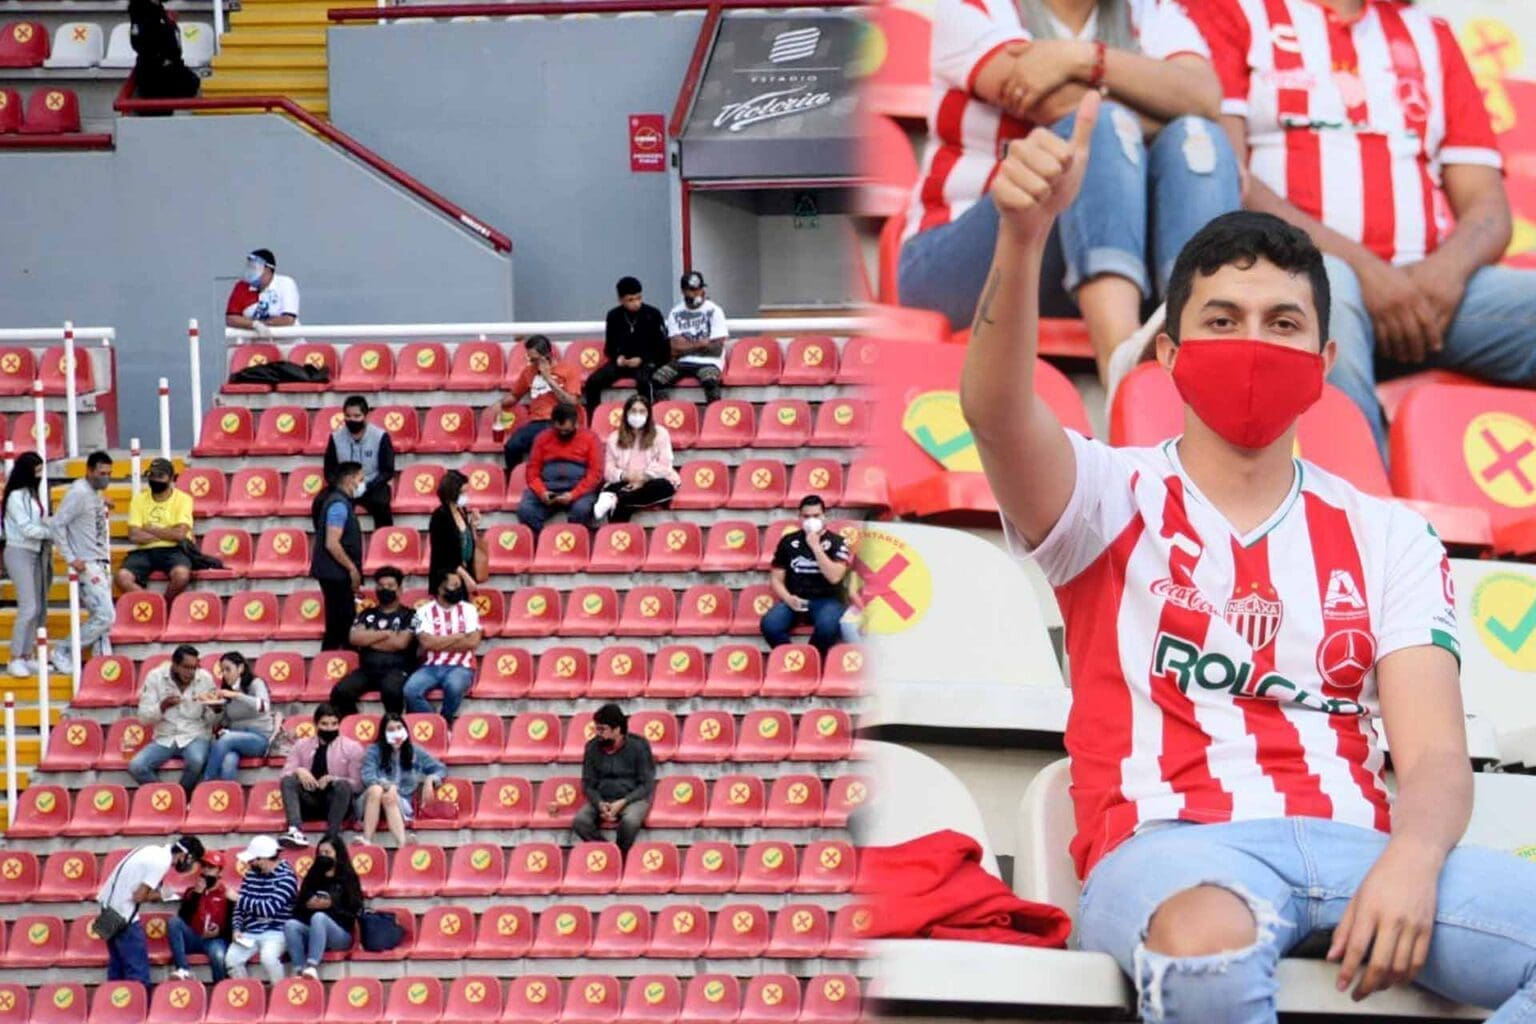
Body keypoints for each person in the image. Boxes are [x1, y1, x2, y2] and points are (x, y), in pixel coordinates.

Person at [963, 98, 1536, 1017]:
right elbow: (994, 412)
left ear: (1326, 355)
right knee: (1208, 941)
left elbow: (1431, 759)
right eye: (1223, 321)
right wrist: (1023, 237)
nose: (1254, 346)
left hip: (1359, 847)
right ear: (1171, 353)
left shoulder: (1392, 534)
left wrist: (1414, 861)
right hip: (1171, 849)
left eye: (1282, 324)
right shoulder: (1105, 496)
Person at [1185, 0, 1536, 459]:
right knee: (1332, 286)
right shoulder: (1233, 11)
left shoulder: (1431, 34)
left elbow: (1489, 209)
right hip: (1286, 275)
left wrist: (1442, 276)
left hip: (1430, 299)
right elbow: (1230, 176)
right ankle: (1360, 513)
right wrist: (1369, 273)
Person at [897, 0, 1237, 387]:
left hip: (1078, 260)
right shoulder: (977, 6)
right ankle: (1122, 370)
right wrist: (1163, 101)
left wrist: (1083, 59)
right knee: (1099, 126)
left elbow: (1204, 96)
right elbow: (1056, 103)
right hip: (961, 261)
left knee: (1198, 137)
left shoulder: (1150, 10)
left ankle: (1202, 352)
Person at [98, 836, 204, 985]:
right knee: (138, 973)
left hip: (106, 907)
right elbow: (139, 896)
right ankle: (138, 1007)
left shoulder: (151, 849)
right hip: (123, 915)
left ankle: (115, 1007)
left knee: (117, 969)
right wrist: (162, 895)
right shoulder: (161, 862)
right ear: (185, 856)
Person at [49, 450, 115, 674]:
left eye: (108, 473)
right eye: (101, 473)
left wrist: (101, 501)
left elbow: (90, 504)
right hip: (86, 563)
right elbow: (58, 524)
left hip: (99, 559)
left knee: (102, 615)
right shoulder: (78, 493)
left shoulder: (92, 492)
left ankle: (99, 657)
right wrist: (70, 557)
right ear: (89, 471)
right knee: (106, 615)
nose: (105, 477)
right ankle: (62, 650)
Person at [761, 495, 852, 656]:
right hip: (795, 599)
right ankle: (790, 657)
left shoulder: (838, 542)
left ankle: (810, 661)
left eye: (816, 516)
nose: (811, 520)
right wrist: (788, 598)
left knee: (828, 627)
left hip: (828, 601)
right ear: (799, 517)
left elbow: (835, 577)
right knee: (770, 625)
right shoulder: (788, 541)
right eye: (806, 516)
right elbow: (776, 578)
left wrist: (816, 547)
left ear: (824, 516)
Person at [328, 567, 415, 717]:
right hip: (367, 670)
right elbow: (354, 638)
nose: (384, 589)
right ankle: (352, 726)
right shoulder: (366, 614)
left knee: (391, 691)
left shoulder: (410, 615)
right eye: (380, 586)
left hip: (397, 669)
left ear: (400, 590)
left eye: (390, 586)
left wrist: (369, 639)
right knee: (341, 691)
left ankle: (391, 728)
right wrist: (387, 634)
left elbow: (401, 643)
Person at [129, 644, 215, 795]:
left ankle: (181, 797)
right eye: (186, 667)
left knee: (197, 761)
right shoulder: (155, 677)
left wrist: (216, 710)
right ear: (174, 665)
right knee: (136, 766)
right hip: (165, 736)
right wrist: (162, 706)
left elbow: (211, 720)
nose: (191, 672)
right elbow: (143, 718)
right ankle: (168, 797)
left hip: (194, 735)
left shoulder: (205, 679)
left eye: (194, 668)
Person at [571, 703, 654, 857]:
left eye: (602, 729)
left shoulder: (639, 746)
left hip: (632, 798)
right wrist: (599, 803)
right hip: (603, 798)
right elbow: (588, 784)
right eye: (597, 728)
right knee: (580, 821)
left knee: (630, 822)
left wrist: (623, 802)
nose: (597, 733)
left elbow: (646, 785)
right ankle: (609, 854)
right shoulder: (592, 747)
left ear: (617, 729)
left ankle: (620, 857)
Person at [278, 704, 364, 849]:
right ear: (316, 724)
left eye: (334, 724)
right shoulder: (301, 745)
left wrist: (334, 779)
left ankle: (332, 836)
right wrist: (299, 771)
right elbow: (284, 776)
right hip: (309, 800)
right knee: (288, 781)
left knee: (343, 786)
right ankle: (295, 831)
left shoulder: (352, 747)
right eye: (324, 724)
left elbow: (358, 786)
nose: (330, 728)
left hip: (337, 803)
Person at [401, 571, 482, 725]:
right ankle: (438, 723)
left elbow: (473, 642)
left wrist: (438, 642)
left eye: (459, 586)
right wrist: (458, 636)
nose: (458, 589)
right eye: (454, 586)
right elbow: (427, 643)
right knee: (410, 691)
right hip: (430, 666)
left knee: (454, 686)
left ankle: (446, 720)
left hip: (461, 666)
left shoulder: (470, 609)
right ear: (440, 589)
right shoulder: (420, 612)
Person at [583, 276, 670, 418]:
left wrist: (642, 359)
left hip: (645, 362)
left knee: (644, 381)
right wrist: (618, 358)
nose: (636, 303)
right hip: (621, 363)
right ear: (621, 300)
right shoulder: (613, 316)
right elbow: (609, 347)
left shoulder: (652, 314)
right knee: (593, 382)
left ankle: (647, 420)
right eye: (631, 300)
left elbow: (662, 348)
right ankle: (594, 420)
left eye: (639, 298)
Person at [360, 711, 448, 848]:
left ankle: (402, 845)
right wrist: (389, 786)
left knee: (388, 797)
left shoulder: (414, 751)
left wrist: (431, 779)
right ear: (383, 733)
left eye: (399, 728)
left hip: (399, 803)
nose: (396, 733)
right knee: (377, 790)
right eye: (390, 730)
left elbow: (440, 769)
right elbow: (368, 777)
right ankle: (366, 840)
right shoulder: (374, 750)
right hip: (371, 802)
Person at [282, 832, 362, 980]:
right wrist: (308, 905)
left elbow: (355, 910)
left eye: (328, 852)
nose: (324, 856)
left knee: (319, 917)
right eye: (321, 853)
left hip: (340, 934)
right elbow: (298, 908)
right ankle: (299, 970)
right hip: (313, 931)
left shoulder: (348, 877)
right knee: (291, 925)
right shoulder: (313, 875)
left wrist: (331, 906)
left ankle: (312, 966)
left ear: (337, 854)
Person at [115, 457, 194, 603]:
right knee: (122, 577)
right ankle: (154, 604)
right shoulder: (139, 500)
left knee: (181, 575)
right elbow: (134, 535)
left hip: (174, 550)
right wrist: (167, 533)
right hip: (144, 551)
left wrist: (150, 529)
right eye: (151, 475)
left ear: (171, 478)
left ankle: (165, 604)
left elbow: (180, 535)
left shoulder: (184, 499)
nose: (154, 479)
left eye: (160, 476)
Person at [2, 452, 53, 679]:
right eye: (37, 471)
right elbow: (26, 528)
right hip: (19, 551)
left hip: (35, 551)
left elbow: (37, 524)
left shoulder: (32, 494)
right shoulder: (15, 496)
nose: (40, 475)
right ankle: (15, 657)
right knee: (28, 606)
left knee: (37, 607)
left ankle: (27, 655)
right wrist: (52, 532)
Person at [500, 335, 581, 474]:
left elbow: (572, 402)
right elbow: (514, 395)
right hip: (536, 422)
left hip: (559, 420)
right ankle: (513, 480)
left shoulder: (569, 370)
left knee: (540, 448)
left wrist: (548, 378)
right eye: (530, 359)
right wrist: (499, 404)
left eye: (535, 359)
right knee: (511, 446)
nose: (532, 362)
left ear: (548, 355)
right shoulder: (529, 372)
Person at [516, 403, 602, 534]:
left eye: (567, 431)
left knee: (581, 510)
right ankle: (543, 540)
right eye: (558, 430)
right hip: (549, 488)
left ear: (576, 424)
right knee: (525, 509)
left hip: (578, 488)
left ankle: (572, 545)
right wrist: (542, 492)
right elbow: (532, 471)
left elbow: (595, 473)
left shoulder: (590, 438)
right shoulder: (542, 438)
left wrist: (574, 494)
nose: (562, 433)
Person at [594, 394, 679, 523]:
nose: (637, 415)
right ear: (626, 413)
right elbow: (608, 469)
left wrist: (642, 480)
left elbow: (665, 465)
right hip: (626, 481)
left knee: (662, 486)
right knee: (616, 491)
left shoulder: (661, 434)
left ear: (648, 414)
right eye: (633, 411)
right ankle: (618, 497)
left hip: (652, 480)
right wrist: (625, 476)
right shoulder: (614, 438)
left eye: (642, 411)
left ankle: (615, 497)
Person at [224, 835, 297, 984]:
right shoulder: (250, 875)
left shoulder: (287, 878)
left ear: (262, 859)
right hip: (250, 932)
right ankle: (246, 995)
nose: (249, 864)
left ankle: (279, 993)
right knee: (231, 960)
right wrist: (236, 928)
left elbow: (269, 909)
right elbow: (240, 909)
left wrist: (239, 898)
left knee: (268, 958)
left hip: (277, 931)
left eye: (252, 860)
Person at [311, 461, 365, 653]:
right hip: (336, 575)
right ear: (350, 479)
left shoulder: (339, 502)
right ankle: (329, 663)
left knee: (340, 624)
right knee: (339, 625)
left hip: (334, 574)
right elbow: (332, 543)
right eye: (361, 479)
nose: (362, 484)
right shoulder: (338, 505)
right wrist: (352, 569)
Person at [652, 271, 727, 405]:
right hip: (682, 362)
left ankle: (713, 416)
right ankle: (663, 413)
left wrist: (686, 346)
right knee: (658, 379)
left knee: (710, 381)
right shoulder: (676, 312)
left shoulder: (715, 311)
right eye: (692, 290)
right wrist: (701, 344)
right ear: (683, 291)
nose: (697, 293)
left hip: (709, 362)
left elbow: (716, 349)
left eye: (699, 289)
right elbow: (674, 349)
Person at [202, 651, 276, 782]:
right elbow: (222, 721)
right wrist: (217, 709)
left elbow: (264, 706)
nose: (224, 674)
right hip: (235, 737)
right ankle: (226, 796)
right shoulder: (226, 690)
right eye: (222, 671)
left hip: (259, 738)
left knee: (225, 739)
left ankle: (206, 783)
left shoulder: (255, 683)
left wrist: (237, 695)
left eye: (228, 669)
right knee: (228, 761)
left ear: (240, 668)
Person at [323, 396, 395, 528]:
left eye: (357, 416)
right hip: (344, 487)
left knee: (382, 505)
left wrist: (368, 485)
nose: (352, 420)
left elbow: (387, 471)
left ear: (366, 416)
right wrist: (342, 487)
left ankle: (382, 543)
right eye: (348, 416)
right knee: (321, 502)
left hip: (372, 485)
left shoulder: (380, 436)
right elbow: (329, 471)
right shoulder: (335, 437)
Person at [168, 848, 232, 983]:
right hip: (195, 935)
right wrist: (197, 894)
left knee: (218, 955)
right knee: (174, 922)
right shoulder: (192, 892)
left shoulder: (226, 894)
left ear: (219, 871)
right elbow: (183, 917)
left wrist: (219, 932)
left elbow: (234, 924)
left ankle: (220, 987)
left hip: (215, 939)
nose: (206, 870)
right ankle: (183, 970)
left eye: (211, 867)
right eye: (204, 866)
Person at [426, 469, 488, 593]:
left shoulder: (462, 511)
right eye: (463, 493)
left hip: (465, 573)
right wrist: (466, 577)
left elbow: (466, 541)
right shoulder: (440, 516)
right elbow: (442, 555)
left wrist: (473, 527)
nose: (465, 496)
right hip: (447, 580)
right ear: (452, 492)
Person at [127, 0, 198, 100]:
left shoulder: (160, 11)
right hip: (155, 78)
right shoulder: (141, 13)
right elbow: (144, 46)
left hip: (169, 72)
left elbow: (174, 48)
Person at [224, 249, 300, 338]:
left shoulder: (285, 283)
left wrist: (262, 325)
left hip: (286, 343)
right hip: (254, 346)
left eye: (254, 267)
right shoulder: (242, 287)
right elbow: (231, 319)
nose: (250, 271)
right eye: (249, 266)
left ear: (268, 269)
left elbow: (288, 319)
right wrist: (254, 325)